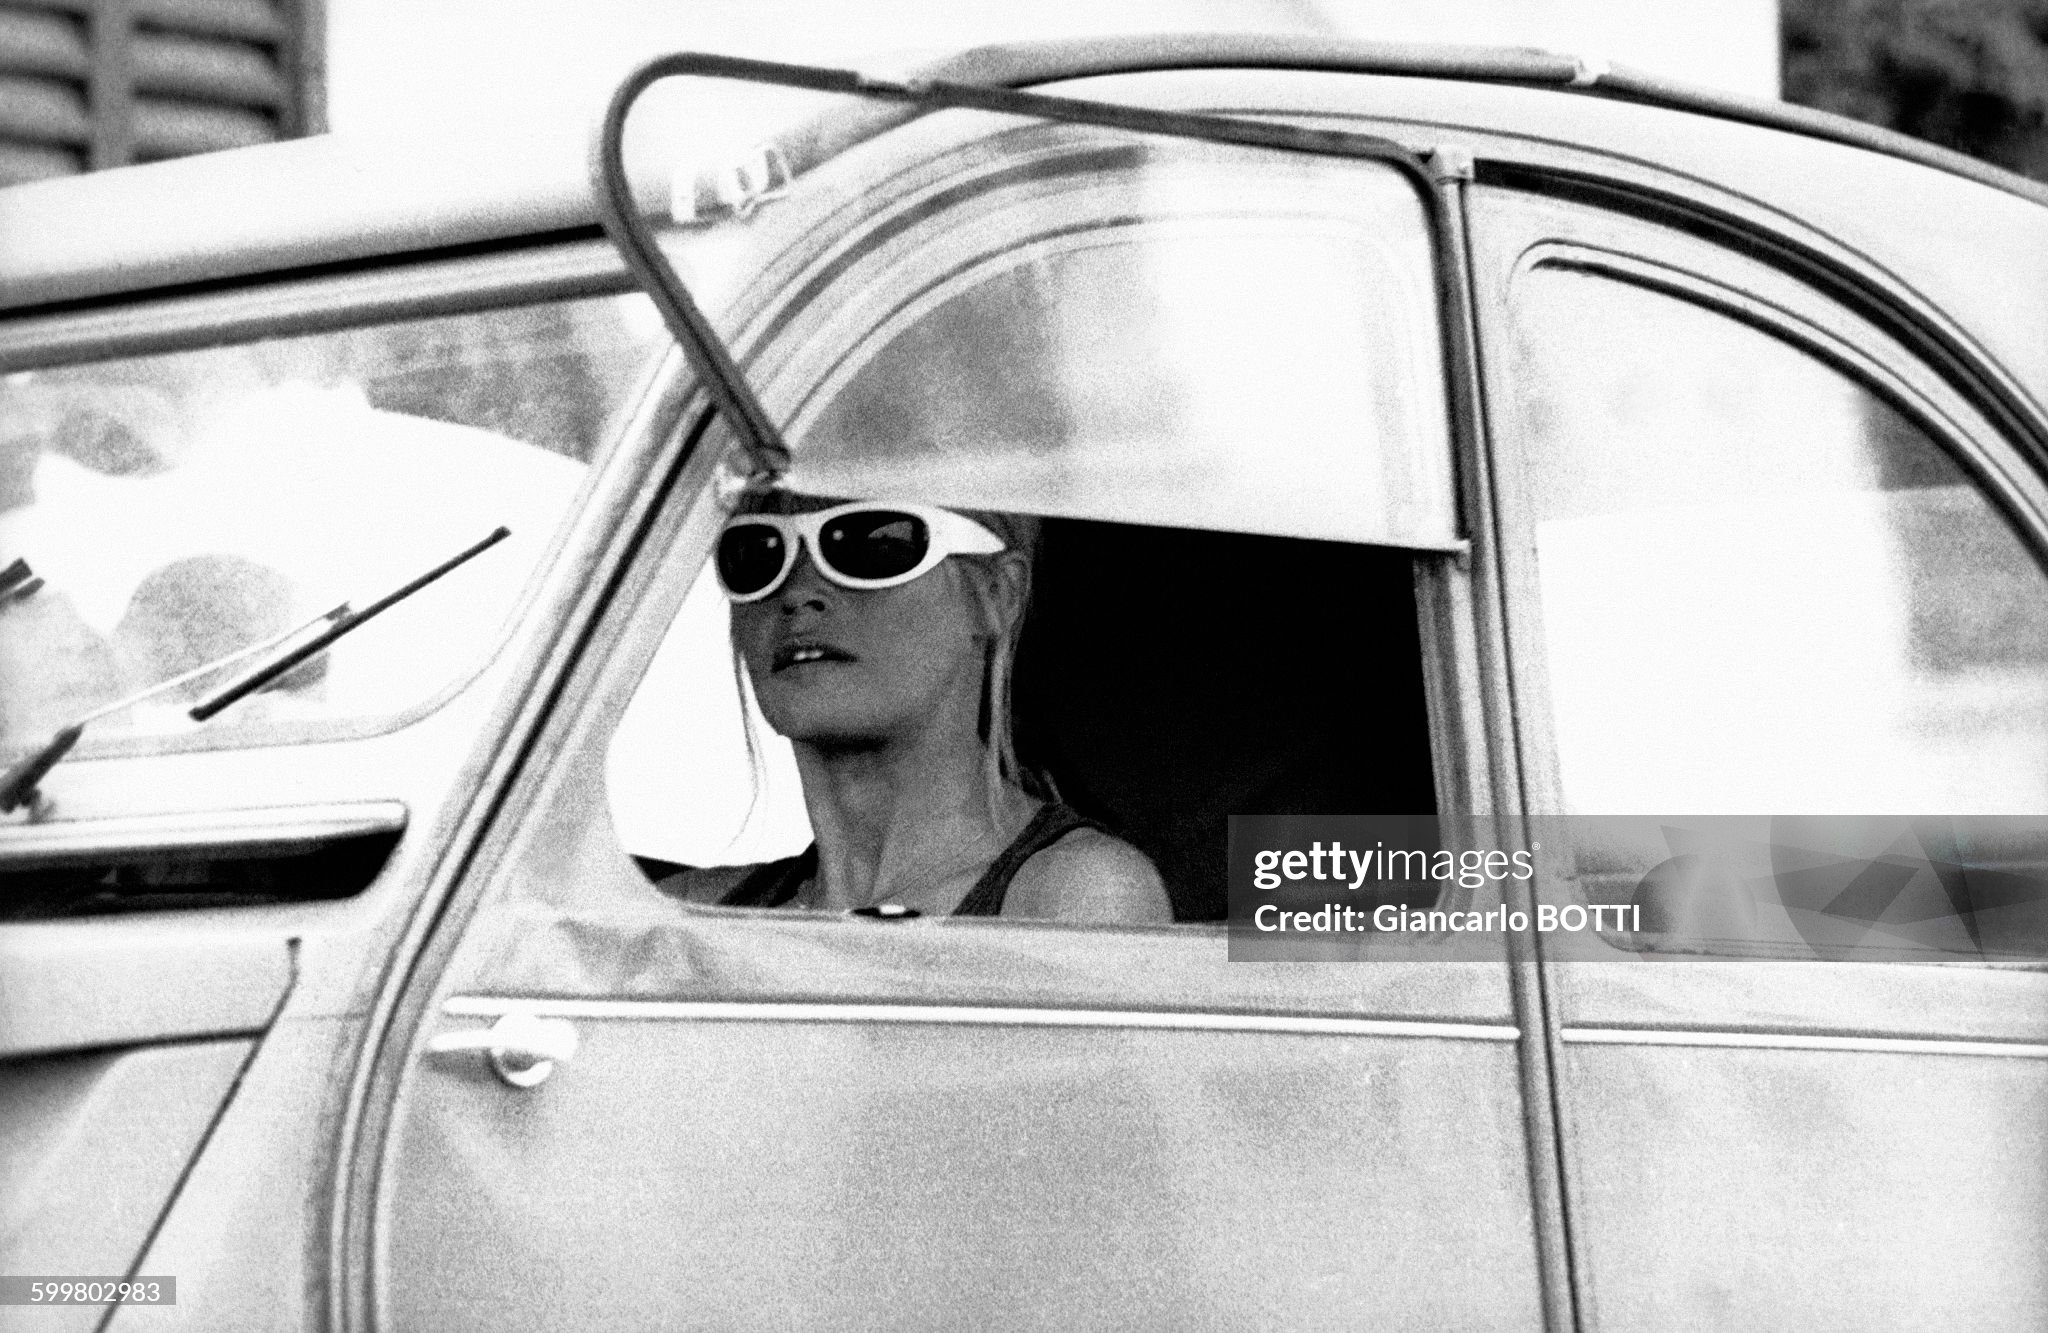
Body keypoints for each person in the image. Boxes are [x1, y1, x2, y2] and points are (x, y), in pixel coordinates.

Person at [659, 488, 1170, 922]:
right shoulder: (687, 914)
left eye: (870, 543)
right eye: (757, 553)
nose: (798, 592)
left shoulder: (1075, 898)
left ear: (997, 595)